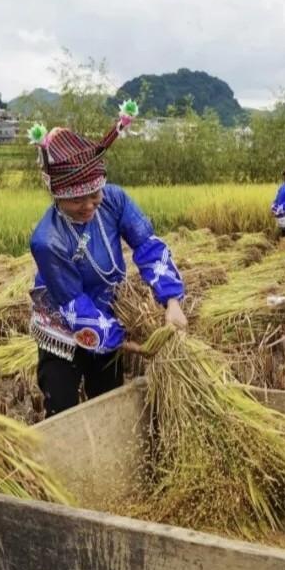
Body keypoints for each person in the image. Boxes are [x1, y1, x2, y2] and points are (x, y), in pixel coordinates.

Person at [27, 101, 187, 417]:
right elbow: (73, 305)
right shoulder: (47, 240)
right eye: (76, 198)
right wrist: (125, 339)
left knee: (109, 402)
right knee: (63, 409)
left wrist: (172, 301)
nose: (88, 205)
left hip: (106, 311)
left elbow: (148, 246)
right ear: (56, 194)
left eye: (94, 194)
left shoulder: (114, 200)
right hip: (62, 324)